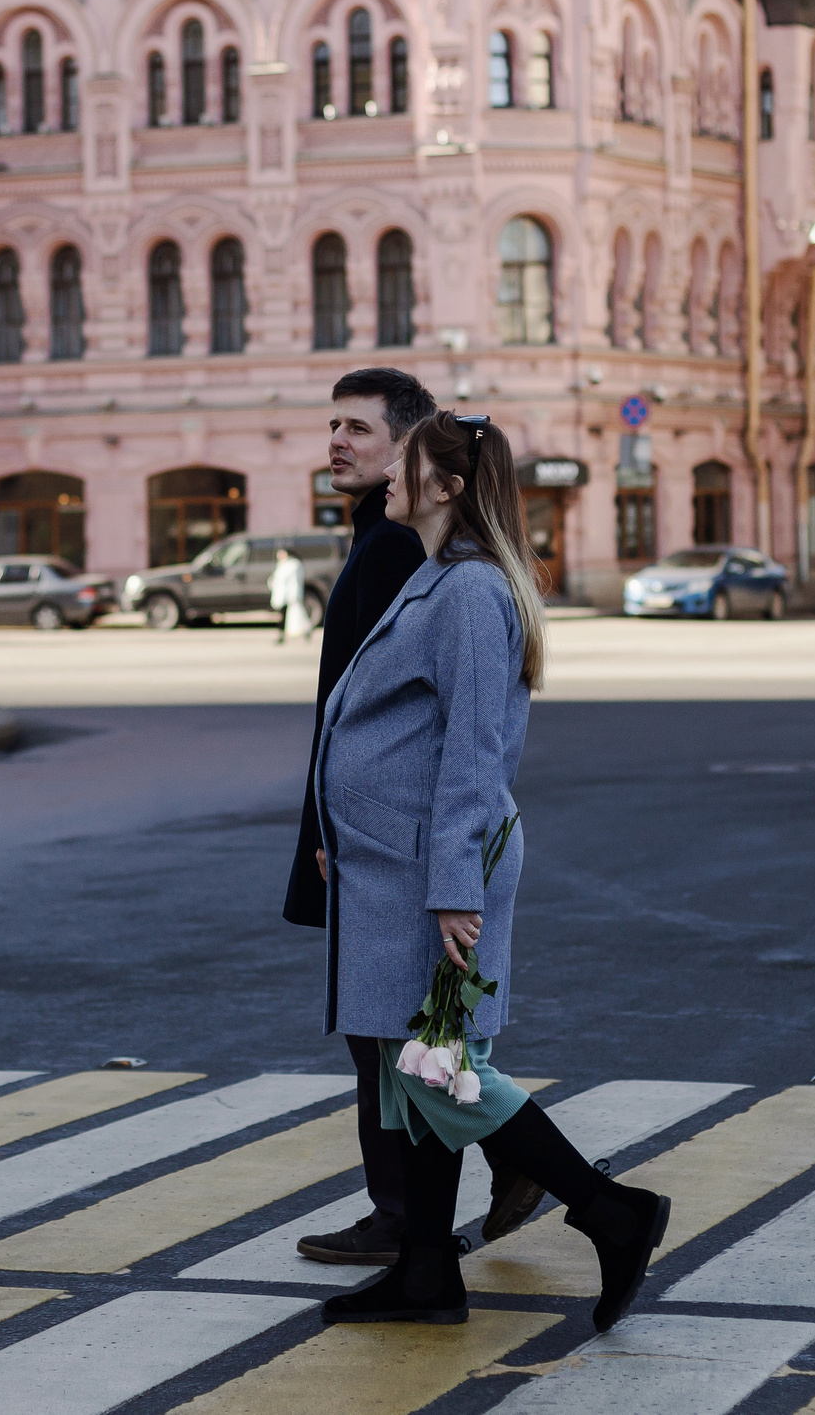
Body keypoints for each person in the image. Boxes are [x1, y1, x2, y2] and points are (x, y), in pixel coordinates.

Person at [313, 411, 670, 1330]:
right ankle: (428, 1270)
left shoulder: (470, 592)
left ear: (446, 485)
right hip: (392, 863)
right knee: (412, 1065)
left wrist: (453, 890)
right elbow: (392, 730)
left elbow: (474, 751)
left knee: (440, 1064)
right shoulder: (435, 576)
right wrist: (339, 828)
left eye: (408, 458)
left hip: (433, 868)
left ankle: (611, 1211)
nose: (390, 470)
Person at [288, 368, 532, 1268]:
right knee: (404, 1044)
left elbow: (467, 743)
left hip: (409, 849)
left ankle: (565, 1196)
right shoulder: (385, 537)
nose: (339, 442)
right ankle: (427, 1238)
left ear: (420, 459)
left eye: (359, 428)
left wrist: (448, 875)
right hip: (378, 841)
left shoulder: (432, 566)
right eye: (333, 424)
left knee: (408, 1046)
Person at [269, 547, 307, 646]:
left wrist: (294, 594)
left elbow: (295, 582)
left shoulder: (294, 565)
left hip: (291, 595)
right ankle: (282, 635)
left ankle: (304, 631)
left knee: (296, 615)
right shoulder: (282, 565)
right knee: (286, 616)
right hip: (283, 596)